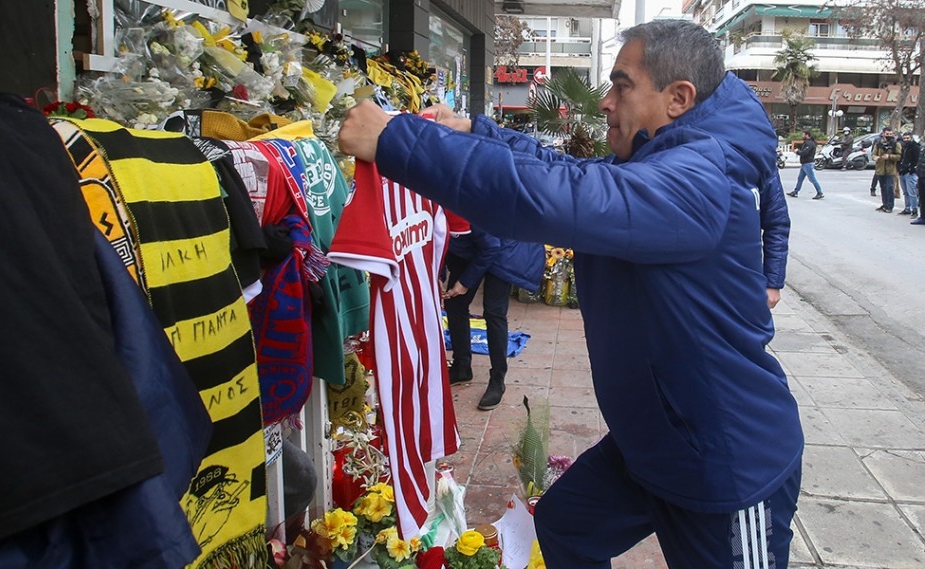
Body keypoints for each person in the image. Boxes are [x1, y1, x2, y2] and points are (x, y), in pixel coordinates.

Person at [338, 19, 802, 569]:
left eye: (622, 85)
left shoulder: (699, 180)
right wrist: (470, 131)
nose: (607, 102)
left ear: (678, 98)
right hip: (656, 439)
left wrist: (397, 140)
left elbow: (563, 197)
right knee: (567, 528)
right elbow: (566, 169)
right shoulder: (662, 162)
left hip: (724, 461)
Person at [441, 215, 542, 410]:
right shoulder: (433, 206)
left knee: (494, 311)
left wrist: (465, 283)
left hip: (502, 247)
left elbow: (491, 247)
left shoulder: (467, 207)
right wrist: (439, 275)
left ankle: (497, 379)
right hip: (472, 245)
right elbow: (438, 244)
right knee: (455, 305)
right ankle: (462, 368)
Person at [786, 130, 824, 199]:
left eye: (803, 134)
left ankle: (819, 192)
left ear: (807, 135)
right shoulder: (807, 143)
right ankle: (795, 192)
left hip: (808, 164)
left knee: (812, 179)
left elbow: (805, 153)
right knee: (800, 178)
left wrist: (798, 152)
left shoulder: (810, 144)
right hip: (804, 164)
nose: (802, 136)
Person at [872, 127, 902, 213]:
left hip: (890, 169)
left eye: (890, 134)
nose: (888, 136)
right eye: (887, 134)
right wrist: (875, 158)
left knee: (890, 188)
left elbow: (899, 156)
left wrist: (889, 157)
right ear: (883, 134)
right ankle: (884, 204)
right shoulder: (878, 143)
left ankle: (890, 205)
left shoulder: (896, 144)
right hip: (880, 169)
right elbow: (873, 154)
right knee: (883, 187)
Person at [897, 132, 919, 216]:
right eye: (905, 138)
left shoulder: (915, 147)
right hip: (903, 171)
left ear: (911, 138)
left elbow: (916, 160)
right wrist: (899, 168)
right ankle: (907, 208)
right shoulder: (904, 147)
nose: (906, 140)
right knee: (905, 192)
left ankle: (914, 209)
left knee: (912, 192)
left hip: (910, 173)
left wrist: (911, 169)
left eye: (907, 138)